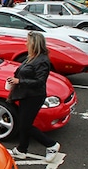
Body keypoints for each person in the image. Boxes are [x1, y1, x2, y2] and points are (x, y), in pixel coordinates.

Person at [6, 31, 60, 162]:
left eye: (28, 41)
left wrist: (20, 81)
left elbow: (40, 82)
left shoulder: (42, 61)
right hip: (25, 95)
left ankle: (51, 145)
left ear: (34, 44)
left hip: (34, 97)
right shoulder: (32, 57)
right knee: (23, 123)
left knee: (26, 125)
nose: (26, 43)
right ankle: (21, 150)